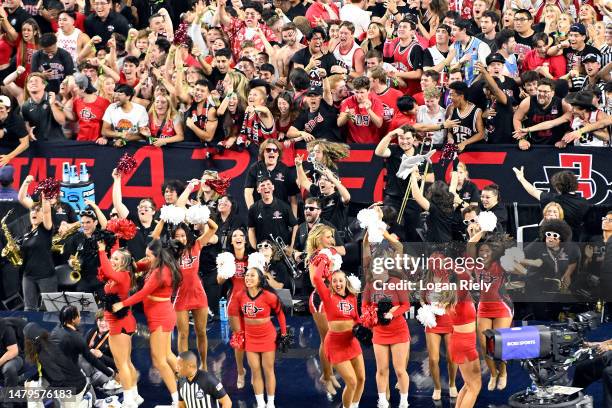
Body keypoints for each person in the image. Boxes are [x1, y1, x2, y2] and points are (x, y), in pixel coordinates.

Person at [113, 239, 182, 406]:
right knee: (167, 356)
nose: (146, 258)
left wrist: (123, 303)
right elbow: (137, 266)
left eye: (148, 255)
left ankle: (177, 401)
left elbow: (142, 293)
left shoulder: (161, 272)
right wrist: (128, 259)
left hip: (161, 316)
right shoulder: (156, 265)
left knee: (159, 361)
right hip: (161, 314)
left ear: (157, 255)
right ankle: (190, 384)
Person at [361, 207, 410, 408]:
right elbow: (365, 246)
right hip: (380, 330)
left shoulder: (395, 275)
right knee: (382, 369)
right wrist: (369, 225)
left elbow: (398, 247)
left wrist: (382, 230)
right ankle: (383, 399)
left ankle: (402, 400)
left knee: (399, 369)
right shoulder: (369, 280)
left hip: (397, 328)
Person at [168, 180, 219, 371]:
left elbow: (213, 229)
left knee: (201, 333)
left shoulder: (196, 244)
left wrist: (202, 215)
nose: (180, 238)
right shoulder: (171, 252)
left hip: (198, 293)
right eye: (177, 236)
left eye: (183, 235)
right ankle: (185, 367)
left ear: (187, 236)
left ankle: (205, 366)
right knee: (182, 334)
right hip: (180, 295)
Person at [311, 230, 365, 408]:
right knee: (351, 382)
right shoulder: (328, 297)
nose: (338, 283)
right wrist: (325, 259)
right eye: (335, 281)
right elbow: (317, 278)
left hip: (351, 342)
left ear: (346, 281)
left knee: (361, 379)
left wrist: (366, 326)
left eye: (341, 281)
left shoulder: (351, 297)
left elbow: (357, 319)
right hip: (336, 344)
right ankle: (328, 378)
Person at [229, 267, 288, 408]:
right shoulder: (239, 295)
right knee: (255, 370)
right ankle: (261, 403)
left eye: (252, 275)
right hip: (251, 337)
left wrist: (284, 333)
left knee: (268, 369)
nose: (248, 278)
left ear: (260, 279)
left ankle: (271, 402)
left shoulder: (269, 296)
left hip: (267, 336)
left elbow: (280, 314)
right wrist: (239, 332)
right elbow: (234, 313)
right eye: (247, 275)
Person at [97, 241, 140, 407]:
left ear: (123, 263)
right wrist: (114, 240)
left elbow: (106, 269)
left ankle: (129, 401)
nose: (111, 260)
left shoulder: (122, 276)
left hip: (119, 324)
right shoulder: (121, 273)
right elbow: (112, 261)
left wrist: (101, 252)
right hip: (123, 322)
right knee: (127, 362)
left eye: (115, 259)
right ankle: (135, 396)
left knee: (121, 365)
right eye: (111, 258)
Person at [24, 322, 91, 407]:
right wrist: (34, 378)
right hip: (63, 379)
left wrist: (44, 394)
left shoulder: (44, 353)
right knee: (30, 385)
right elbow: (46, 369)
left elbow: (59, 380)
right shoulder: (46, 342)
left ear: (28, 341)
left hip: (74, 386)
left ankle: (86, 401)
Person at [513, 168, 590, 241]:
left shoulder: (550, 199)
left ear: (557, 186)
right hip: (574, 243)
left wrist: (521, 178)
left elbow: (533, 191)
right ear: (575, 184)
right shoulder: (583, 203)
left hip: (550, 242)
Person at [50, 305, 115, 386]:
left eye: (106, 321)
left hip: (105, 369)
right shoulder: (92, 332)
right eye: (100, 320)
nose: (102, 323)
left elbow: (118, 365)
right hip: (90, 369)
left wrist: (102, 356)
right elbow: (86, 354)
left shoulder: (116, 338)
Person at [217, 228, 249, 389]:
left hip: (252, 302)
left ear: (245, 239)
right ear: (231, 241)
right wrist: (224, 269)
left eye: (241, 235)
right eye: (234, 236)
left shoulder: (253, 258)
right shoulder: (227, 258)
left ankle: (256, 370)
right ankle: (240, 371)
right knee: (239, 338)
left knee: (254, 339)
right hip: (234, 301)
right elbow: (219, 281)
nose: (238, 238)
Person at [512, 78, 572, 150]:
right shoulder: (528, 102)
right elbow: (517, 118)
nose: (541, 94)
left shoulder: (562, 103)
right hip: (534, 146)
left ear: (552, 93)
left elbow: (571, 125)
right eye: (539, 91)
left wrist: (564, 140)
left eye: (545, 91)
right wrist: (521, 139)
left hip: (556, 146)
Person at [244, 139, 299, 216]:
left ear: (278, 154)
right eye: (268, 150)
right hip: (261, 214)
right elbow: (248, 193)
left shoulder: (285, 169)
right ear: (263, 153)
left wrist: (294, 220)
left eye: (275, 150)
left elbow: (293, 198)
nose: (272, 152)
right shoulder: (255, 168)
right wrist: (253, 214)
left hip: (281, 215)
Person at [247, 176, 298, 250]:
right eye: (262, 185)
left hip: (281, 251)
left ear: (273, 187)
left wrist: (291, 247)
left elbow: (295, 226)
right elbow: (251, 230)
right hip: (263, 251)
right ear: (258, 190)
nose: (266, 187)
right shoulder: (253, 208)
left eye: (268, 184)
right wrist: (256, 248)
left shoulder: (284, 206)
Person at [63, 72, 110, 142]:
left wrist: (104, 138)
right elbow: (75, 118)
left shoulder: (104, 103)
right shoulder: (76, 102)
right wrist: (62, 108)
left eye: (76, 87)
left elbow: (110, 125)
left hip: (97, 142)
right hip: (81, 142)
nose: (74, 89)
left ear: (83, 89)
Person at [337, 75, 384, 144]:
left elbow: (379, 124)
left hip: (372, 144)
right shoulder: (347, 102)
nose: (359, 96)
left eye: (362, 92)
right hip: (353, 143)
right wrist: (347, 115)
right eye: (356, 92)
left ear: (368, 91)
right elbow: (339, 123)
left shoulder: (376, 102)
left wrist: (369, 110)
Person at [21, 73, 66, 142]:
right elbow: (26, 124)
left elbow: (62, 121)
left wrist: (52, 104)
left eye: (36, 81)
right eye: (30, 81)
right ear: (27, 86)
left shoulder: (53, 98)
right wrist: (28, 131)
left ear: (44, 85)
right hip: (37, 144)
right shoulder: (25, 106)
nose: (33, 83)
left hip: (57, 142)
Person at [446, 81, 484, 151]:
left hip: (472, 151)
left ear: (461, 96)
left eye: (451, 94)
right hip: (456, 151)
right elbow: (449, 131)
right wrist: (450, 139)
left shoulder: (476, 111)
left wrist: (464, 143)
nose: (449, 97)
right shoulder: (451, 109)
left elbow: (481, 134)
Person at [0, 95, 29, 167]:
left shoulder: (16, 121)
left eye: (1, 108)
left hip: (16, 149)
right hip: (3, 145)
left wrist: (8, 157)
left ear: (8, 109)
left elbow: (25, 143)